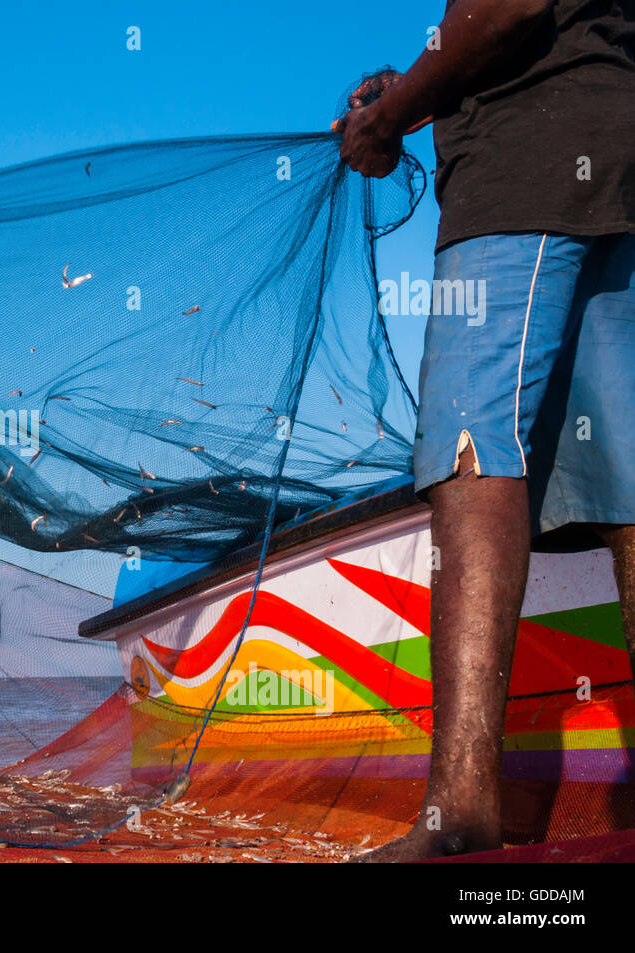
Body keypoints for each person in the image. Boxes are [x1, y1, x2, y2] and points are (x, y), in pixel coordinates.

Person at [335, 0, 635, 859]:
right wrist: (427, 86)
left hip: (526, 172)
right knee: (625, 475)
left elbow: (510, 6)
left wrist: (391, 116)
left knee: (474, 452)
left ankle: (461, 811)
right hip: (614, 150)